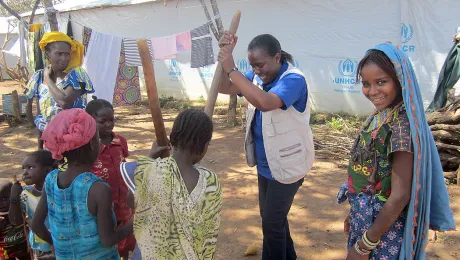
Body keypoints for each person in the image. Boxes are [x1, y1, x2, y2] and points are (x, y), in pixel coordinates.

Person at [337, 43, 456, 260]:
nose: (372, 91)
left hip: (384, 232)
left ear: (400, 80)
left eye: (381, 82)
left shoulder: (401, 126)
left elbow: (400, 196)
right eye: (366, 83)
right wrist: (354, 214)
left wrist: (364, 246)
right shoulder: (380, 116)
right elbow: (368, 173)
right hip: (368, 221)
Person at [217, 33, 314, 259]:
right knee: (274, 220)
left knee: (271, 223)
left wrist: (233, 69)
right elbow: (225, 87)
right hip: (266, 165)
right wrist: (224, 59)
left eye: (260, 65)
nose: (257, 71)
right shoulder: (256, 77)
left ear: (277, 57)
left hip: (289, 166)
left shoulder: (293, 80)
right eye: (252, 67)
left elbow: (265, 102)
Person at [119, 109, 222, 260]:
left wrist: (151, 157)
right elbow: (209, 231)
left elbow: (131, 202)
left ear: (172, 138)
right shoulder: (211, 181)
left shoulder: (150, 170)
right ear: (205, 146)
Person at [31, 108, 133, 259]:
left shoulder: (51, 180)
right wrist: (136, 223)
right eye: (97, 138)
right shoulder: (99, 189)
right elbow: (108, 240)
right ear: (92, 144)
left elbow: (36, 225)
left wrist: (57, 245)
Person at [24, 31, 94, 150]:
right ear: (47, 54)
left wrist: (48, 78)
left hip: (75, 143)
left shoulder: (77, 75)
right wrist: (41, 150)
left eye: (67, 54)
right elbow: (40, 117)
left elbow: (64, 102)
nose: (64, 58)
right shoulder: (38, 77)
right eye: (59, 54)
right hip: (49, 143)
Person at [85, 98, 136, 259]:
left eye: (111, 119)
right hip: (105, 205)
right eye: (103, 121)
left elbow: (124, 162)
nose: (108, 124)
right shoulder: (89, 147)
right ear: (90, 121)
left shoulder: (120, 141)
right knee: (109, 240)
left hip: (124, 202)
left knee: (127, 240)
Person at [9, 150, 57, 260]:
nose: (25, 172)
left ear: (47, 170)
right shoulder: (25, 194)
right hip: (40, 249)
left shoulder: (58, 192)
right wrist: (14, 198)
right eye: (23, 169)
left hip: (61, 245)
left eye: (30, 167)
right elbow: (15, 221)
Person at [0, 180, 30, 259]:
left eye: (4, 198)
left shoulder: (21, 208)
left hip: (26, 248)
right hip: (7, 253)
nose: (0, 203)